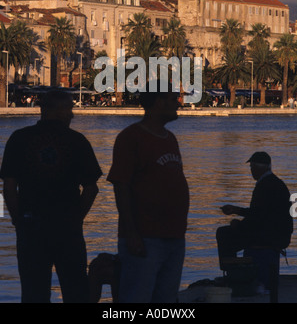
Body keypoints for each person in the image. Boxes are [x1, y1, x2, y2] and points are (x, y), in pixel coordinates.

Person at [0, 90, 102, 303]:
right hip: (68, 228)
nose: (72, 115)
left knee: (33, 292)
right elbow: (91, 188)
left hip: (31, 226)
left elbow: (9, 187)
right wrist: (77, 219)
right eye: (69, 109)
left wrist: (18, 220)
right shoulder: (77, 141)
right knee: (76, 291)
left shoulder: (19, 139)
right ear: (59, 111)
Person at [107, 81, 190, 303]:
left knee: (166, 300)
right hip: (145, 237)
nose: (179, 104)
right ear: (158, 102)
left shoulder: (170, 138)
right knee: (137, 297)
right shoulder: (130, 138)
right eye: (174, 99)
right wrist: (132, 233)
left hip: (173, 236)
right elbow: (120, 185)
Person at [216, 151, 293, 271]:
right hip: (281, 234)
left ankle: (231, 272)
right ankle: (236, 270)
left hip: (270, 236)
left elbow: (258, 217)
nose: (251, 170)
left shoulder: (263, 186)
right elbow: (261, 214)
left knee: (224, 234)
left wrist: (239, 224)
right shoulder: (277, 183)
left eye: (251, 167)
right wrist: (237, 211)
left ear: (257, 167)